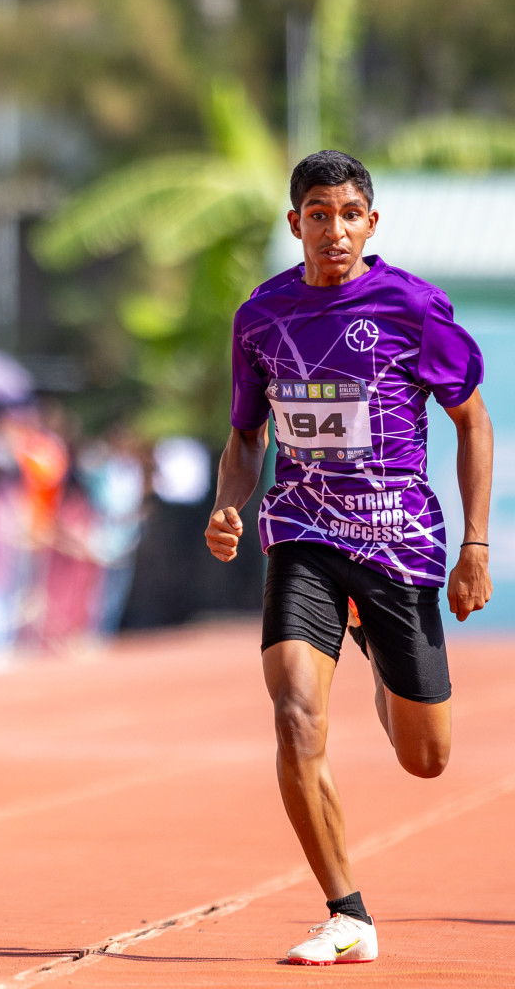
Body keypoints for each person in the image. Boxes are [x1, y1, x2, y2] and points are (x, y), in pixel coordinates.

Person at [206, 150, 492, 966]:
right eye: (318, 215)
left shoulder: (413, 307)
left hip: (398, 545)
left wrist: (475, 544)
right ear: (294, 223)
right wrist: (230, 504)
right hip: (300, 534)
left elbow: (474, 422)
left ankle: (374, 648)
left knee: (425, 759)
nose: (335, 229)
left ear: (372, 223)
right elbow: (246, 436)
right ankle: (348, 913)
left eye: (350, 214)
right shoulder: (261, 317)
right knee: (295, 715)